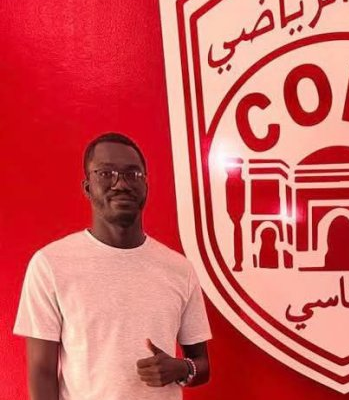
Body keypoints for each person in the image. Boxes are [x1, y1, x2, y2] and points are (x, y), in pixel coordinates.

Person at [14, 133, 212, 400]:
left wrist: (181, 368)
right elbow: (42, 372)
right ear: (87, 187)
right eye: (106, 174)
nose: (121, 184)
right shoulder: (50, 264)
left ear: (146, 186)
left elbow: (202, 365)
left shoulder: (179, 269)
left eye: (133, 174)